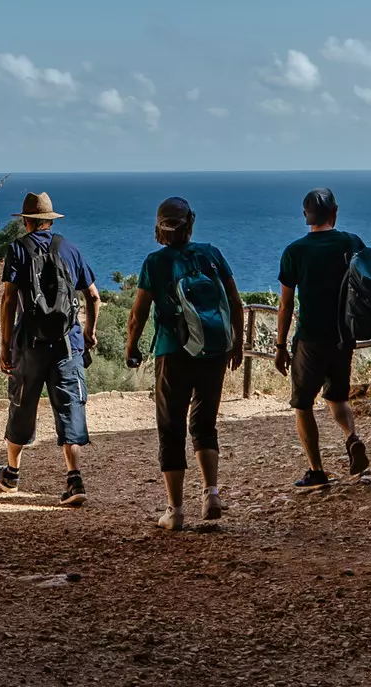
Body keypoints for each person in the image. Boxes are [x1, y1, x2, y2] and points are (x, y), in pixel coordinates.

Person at [124, 196, 244, 531]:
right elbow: (235, 302)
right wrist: (238, 343)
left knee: (171, 427)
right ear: (190, 223)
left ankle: (175, 511)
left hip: (172, 352)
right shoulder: (211, 254)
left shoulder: (155, 262)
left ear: (160, 228)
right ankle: (211, 493)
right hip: (214, 351)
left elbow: (138, 314)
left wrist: (131, 347)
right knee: (205, 422)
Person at [0, 192, 101, 506]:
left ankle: (11, 472)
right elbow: (93, 296)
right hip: (69, 344)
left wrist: (5, 345)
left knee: (22, 404)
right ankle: (74, 479)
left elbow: (9, 299)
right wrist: (90, 333)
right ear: (50, 221)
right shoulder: (70, 248)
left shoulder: (18, 250)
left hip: (29, 344)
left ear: (26, 221)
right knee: (70, 407)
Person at [274, 187, 371, 489]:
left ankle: (316, 471)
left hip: (311, 338)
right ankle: (351, 437)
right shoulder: (351, 242)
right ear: (335, 212)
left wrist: (279, 346)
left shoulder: (295, 251)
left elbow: (286, 304)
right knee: (337, 397)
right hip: (343, 335)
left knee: (303, 404)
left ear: (306, 216)